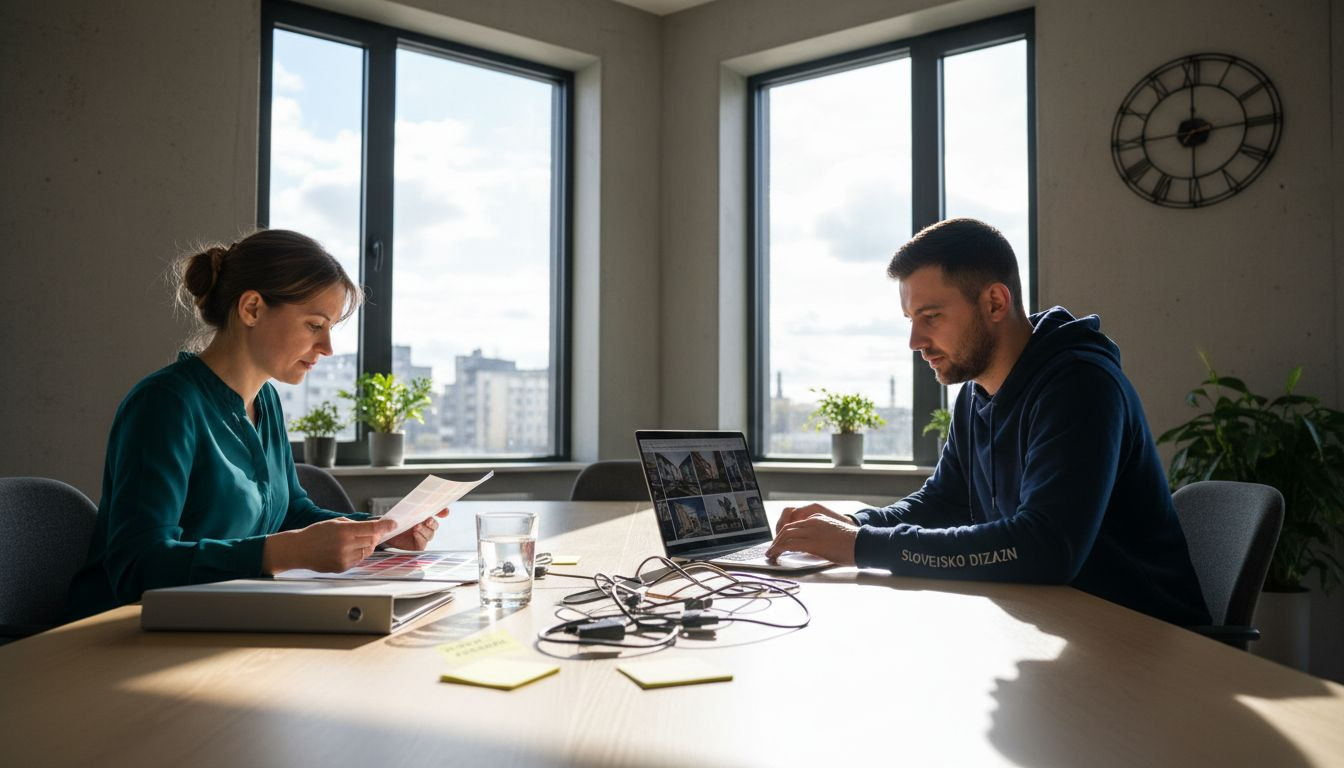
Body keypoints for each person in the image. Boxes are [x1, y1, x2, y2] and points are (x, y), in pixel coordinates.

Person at [766, 218, 1210, 626]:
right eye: (910, 320)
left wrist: (862, 547)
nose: (915, 341)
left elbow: (1046, 548)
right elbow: (944, 501)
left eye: (931, 317)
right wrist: (855, 523)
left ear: (995, 302)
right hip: (1059, 625)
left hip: (1146, 641)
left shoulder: (1080, 385)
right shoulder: (976, 392)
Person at [65, 230, 445, 620]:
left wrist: (382, 532)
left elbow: (290, 512)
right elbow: (138, 567)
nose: (329, 348)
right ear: (252, 309)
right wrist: (285, 552)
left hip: (220, 618)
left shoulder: (265, 400)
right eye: (315, 325)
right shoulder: (165, 404)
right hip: (117, 633)